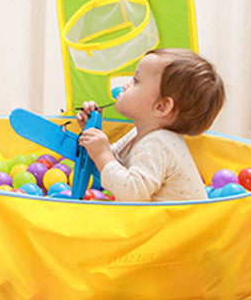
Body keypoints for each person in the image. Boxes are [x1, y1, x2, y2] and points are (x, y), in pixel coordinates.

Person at [76, 48, 226, 201]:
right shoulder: (140, 133)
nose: (125, 86)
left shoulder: (158, 143)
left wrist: (102, 153)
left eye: (135, 81)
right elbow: (114, 162)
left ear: (161, 107)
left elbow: (131, 192)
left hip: (177, 224)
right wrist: (94, 132)